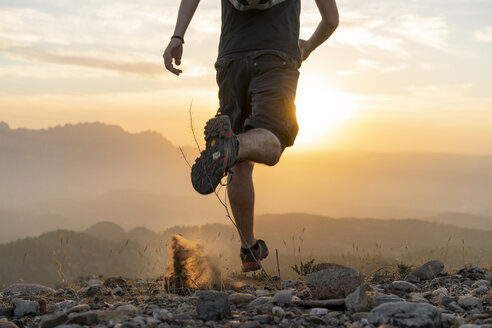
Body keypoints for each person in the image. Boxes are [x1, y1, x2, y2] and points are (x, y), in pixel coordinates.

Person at [164, 0, 339, 272]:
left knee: (240, 161)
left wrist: (177, 36)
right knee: (272, 140)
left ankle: (249, 249)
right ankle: (230, 146)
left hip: (231, 60)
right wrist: (307, 46)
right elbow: (330, 20)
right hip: (277, 55)